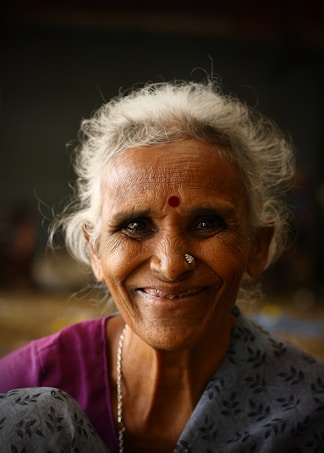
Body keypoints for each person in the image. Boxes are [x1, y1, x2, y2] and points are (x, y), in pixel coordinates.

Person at [0, 79, 323, 453]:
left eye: (206, 224)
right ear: (95, 251)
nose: (171, 266)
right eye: (135, 225)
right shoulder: (25, 382)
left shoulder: (307, 414)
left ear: (257, 247)